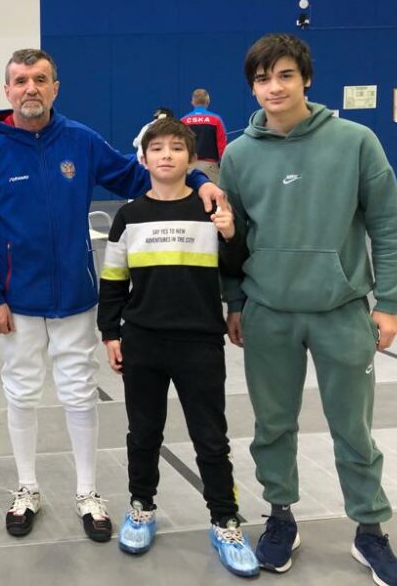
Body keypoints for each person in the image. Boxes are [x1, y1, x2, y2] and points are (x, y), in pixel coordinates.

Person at [0, 48, 222, 541]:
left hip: (76, 296)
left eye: (41, 79)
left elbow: (137, 173)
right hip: (15, 301)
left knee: (79, 390)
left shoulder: (79, 140)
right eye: (21, 80)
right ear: (7, 91)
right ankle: (27, 487)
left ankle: (87, 491)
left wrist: (197, 178)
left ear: (55, 88)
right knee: (21, 390)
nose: (31, 88)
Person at [220, 34, 397, 586]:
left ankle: (370, 530)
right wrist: (235, 301)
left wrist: (389, 302)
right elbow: (233, 239)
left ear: (306, 78)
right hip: (268, 313)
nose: (274, 87)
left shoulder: (355, 141)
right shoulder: (238, 154)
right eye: (262, 78)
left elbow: (387, 226)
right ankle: (280, 518)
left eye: (285, 75)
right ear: (252, 87)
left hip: (341, 310)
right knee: (272, 425)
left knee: (353, 428)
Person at [98, 117, 258, 577]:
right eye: (157, 148)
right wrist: (110, 333)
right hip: (143, 341)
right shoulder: (128, 216)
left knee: (211, 437)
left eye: (176, 148)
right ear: (143, 158)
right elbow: (113, 280)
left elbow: (236, 265)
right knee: (143, 433)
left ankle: (225, 521)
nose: (166, 155)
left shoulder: (210, 210)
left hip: (199, 342)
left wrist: (230, 234)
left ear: (191, 158)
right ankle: (141, 506)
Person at [181, 88, 227, 184]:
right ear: (208, 102)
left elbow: (179, 145)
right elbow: (222, 146)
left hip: (189, 166)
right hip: (210, 166)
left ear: (192, 102)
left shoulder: (184, 121)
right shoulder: (216, 120)